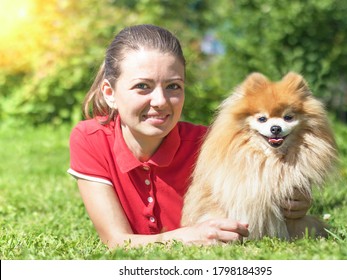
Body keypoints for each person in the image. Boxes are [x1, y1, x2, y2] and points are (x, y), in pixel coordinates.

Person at [68, 24, 311, 249]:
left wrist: (295, 198)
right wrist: (185, 237)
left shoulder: (211, 144)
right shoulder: (90, 139)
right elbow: (115, 241)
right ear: (110, 93)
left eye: (173, 86)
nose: (161, 101)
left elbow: (273, 167)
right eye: (142, 86)